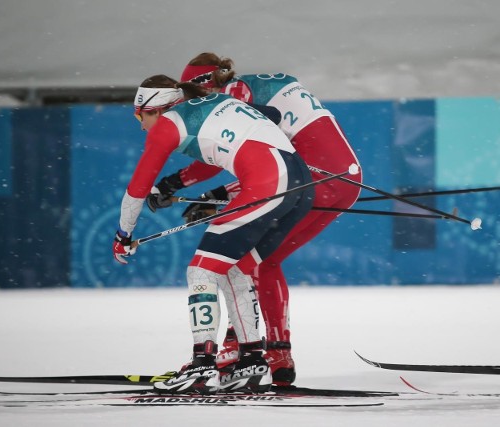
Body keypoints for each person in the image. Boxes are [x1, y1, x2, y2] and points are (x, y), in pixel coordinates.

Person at [146, 53, 362, 386]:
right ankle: (276, 355)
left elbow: (227, 154)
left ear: (205, 85)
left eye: (193, 96)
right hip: (344, 180)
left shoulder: (235, 93)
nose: (194, 106)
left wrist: (176, 183)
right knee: (264, 262)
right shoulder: (255, 85)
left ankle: (238, 350)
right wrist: (215, 192)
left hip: (310, 180)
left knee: (241, 262)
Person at [113, 74, 315, 394]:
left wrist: (123, 235)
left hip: (269, 182)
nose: (140, 125)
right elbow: (273, 117)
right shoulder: (216, 100)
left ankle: (201, 361)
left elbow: (138, 188)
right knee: (233, 266)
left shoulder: (168, 124)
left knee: (200, 270)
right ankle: (250, 356)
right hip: (302, 183)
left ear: (155, 108)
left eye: (140, 115)